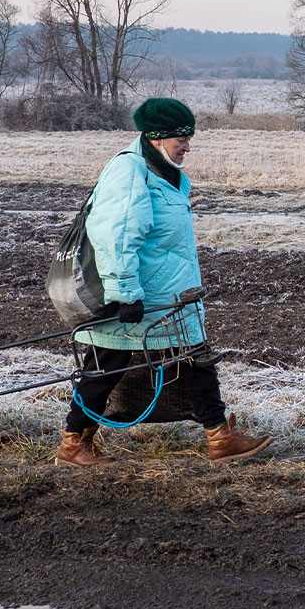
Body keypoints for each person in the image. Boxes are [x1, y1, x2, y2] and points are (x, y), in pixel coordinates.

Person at [56, 98, 270, 467]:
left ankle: (219, 438)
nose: (188, 146)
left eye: (189, 138)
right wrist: (125, 295)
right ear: (156, 139)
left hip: (171, 295)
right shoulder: (130, 171)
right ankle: (73, 444)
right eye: (181, 139)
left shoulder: (161, 171)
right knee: (105, 368)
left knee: (196, 362)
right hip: (140, 297)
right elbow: (117, 235)